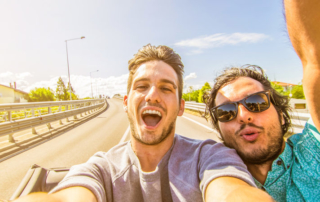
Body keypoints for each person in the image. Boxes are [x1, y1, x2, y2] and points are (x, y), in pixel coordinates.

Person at [13, 45, 274, 202]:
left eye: (166, 88)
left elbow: (230, 191)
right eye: (141, 86)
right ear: (126, 102)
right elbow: (71, 195)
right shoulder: (101, 168)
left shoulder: (209, 156)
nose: (152, 95)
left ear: (181, 106)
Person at [204, 0, 320, 201]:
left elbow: (314, 57)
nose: (243, 116)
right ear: (219, 131)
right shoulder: (217, 173)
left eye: (256, 102)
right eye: (226, 112)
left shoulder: (314, 147)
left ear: (282, 116)